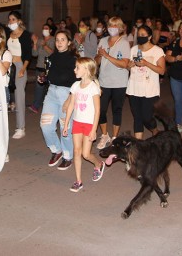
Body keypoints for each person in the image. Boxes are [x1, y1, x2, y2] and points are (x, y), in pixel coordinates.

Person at [0, 1, 32, 139]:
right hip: (7, 65)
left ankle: (21, 127)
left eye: (13, 19)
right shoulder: (7, 32)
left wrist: (23, 69)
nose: (10, 22)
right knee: (4, 94)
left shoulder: (25, 35)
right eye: (9, 20)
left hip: (20, 66)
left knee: (19, 96)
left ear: (19, 21)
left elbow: (28, 54)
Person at [62, 57, 105, 193]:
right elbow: (70, 106)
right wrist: (66, 123)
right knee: (77, 151)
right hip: (77, 122)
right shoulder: (75, 86)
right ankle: (78, 181)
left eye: (77, 67)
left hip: (89, 124)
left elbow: (98, 110)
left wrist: (94, 130)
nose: (74, 70)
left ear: (86, 70)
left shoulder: (93, 88)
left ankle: (98, 164)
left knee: (86, 154)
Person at [40, 30, 78, 171]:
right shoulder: (52, 57)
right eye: (57, 40)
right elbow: (49, 74)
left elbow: (78, 81)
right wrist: (43, 78)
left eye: (63, 40)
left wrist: (70, 98)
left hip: (66, 94)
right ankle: (57, 150)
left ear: (69, 42)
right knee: (46, 125)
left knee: (65, 128)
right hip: (51, 93)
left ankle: (68, 156)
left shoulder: (74, 59)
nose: (59, 42)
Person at [94, 16, 131, 149]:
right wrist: (99, 55)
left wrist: (107, 56)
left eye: (115, 26)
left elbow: (124, 64)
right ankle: (105, 135)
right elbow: (97, 61)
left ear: (120, 28)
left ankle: (115, 138)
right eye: (110, 25)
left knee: (117, 109)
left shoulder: (124, 43)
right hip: (104, 81)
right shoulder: (102, 40)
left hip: (119, 82)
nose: (112, 28)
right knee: (100, 110)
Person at [126, 25, 166, 139]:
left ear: (149, 37)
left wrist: (146, 63)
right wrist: (130, 65)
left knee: (146, 117)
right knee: (137, 117)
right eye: (139, 35)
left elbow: (162, 70)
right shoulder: (134, 49)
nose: (140, 37)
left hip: (150, 89)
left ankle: (155, 130)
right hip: (134, 88)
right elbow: (128, 66)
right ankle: (138, 145)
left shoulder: (157, 51)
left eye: (143, 35)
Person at [30, 23, 55, 114]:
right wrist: (35, 43)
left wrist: (45, 45)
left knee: (48, 88)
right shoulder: (40, 40)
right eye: (43, 28)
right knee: (39, 87)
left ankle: (41, 105)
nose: (44, 30)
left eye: (46, 28)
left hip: (48, 67)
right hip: (39, 66)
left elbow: (52, 53)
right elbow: (34, 54)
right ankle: (36, 105)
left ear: (50, 30)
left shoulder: (53, 40)